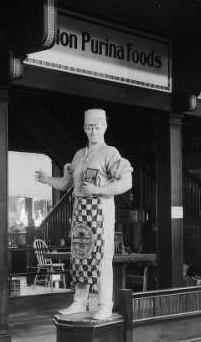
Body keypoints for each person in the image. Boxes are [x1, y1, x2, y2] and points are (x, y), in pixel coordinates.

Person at [34, 108, 132, 321]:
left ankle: (105, 305)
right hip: (80, 216)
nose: (93, 131)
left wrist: (99, 190)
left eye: (97, 126)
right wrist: (46, 180)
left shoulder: (110, 153)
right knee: (80, 255)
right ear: (84, 129)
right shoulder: (79, 155)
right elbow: (66, 183)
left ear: (105, 127)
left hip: (101, 214)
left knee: (102, 259)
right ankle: (80, 301)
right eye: (89, 127)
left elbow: (126, 181)